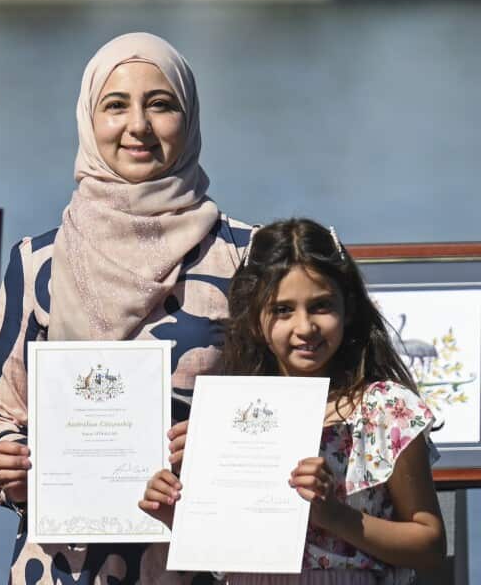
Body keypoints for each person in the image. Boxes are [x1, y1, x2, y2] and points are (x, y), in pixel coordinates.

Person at [0, 32, 253, 583]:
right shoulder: (38, 262)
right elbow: (3, 416)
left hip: (201, 561)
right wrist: (8, 460)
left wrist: (221, 441)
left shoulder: (246, 256)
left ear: (191, 115)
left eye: (160, 104)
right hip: (64, 564)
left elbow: (288, 412)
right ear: (87, 117)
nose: (138, 126)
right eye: (115, 105)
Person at [139, 218, 446, 583]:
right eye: (283, 310)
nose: (305, 327)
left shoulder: (386, 411)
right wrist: (182, 517)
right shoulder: (230, 414)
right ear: (254, 319)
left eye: (320, 306)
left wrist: (331, 514)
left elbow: (430, 544)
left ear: (348, 308)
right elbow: (228, 548)